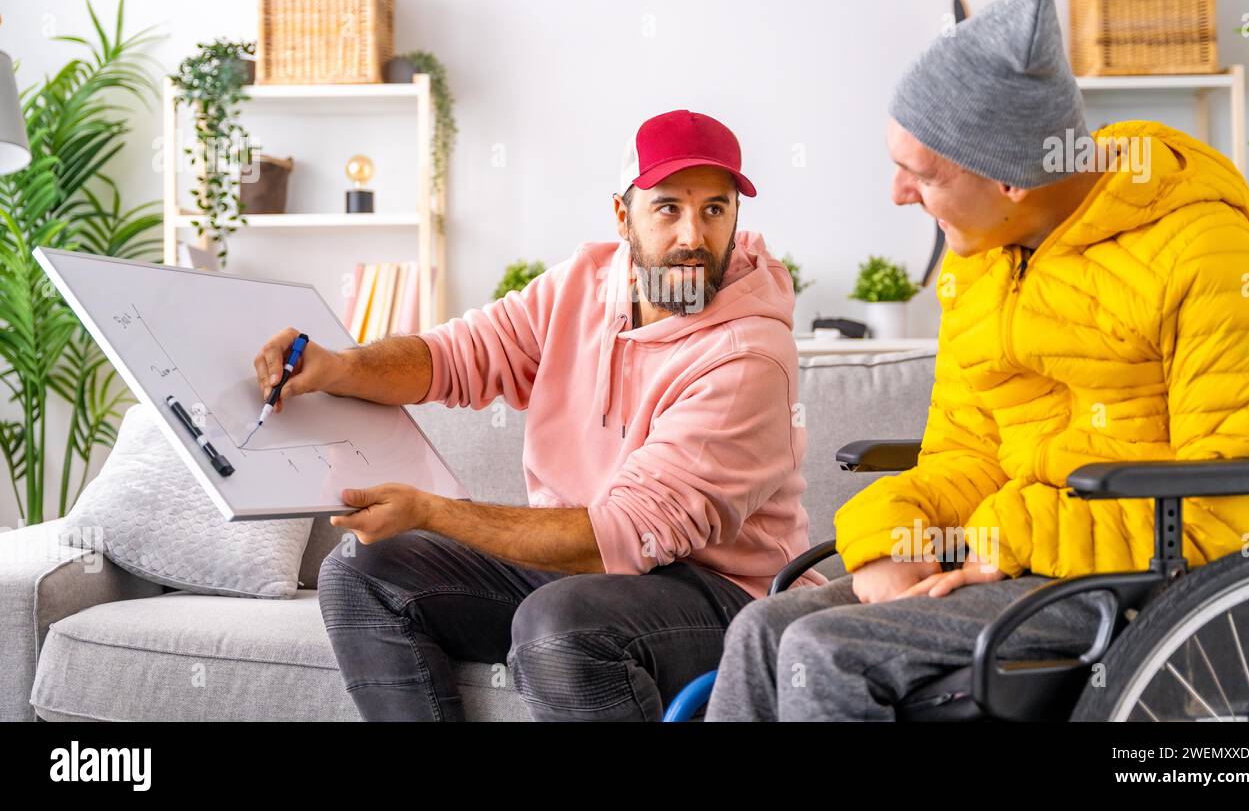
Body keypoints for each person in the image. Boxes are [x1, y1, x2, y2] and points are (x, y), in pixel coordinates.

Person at [706, 0, 1249, 721]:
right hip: (1010, 557)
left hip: (1139, 581)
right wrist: (897, 538)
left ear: (1012, 180)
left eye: (919, 172)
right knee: (762, 631)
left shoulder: (1209, 259)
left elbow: (1232, 520)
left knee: (826, 653)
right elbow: (968, 451)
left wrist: (1007, 537)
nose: (896, 193)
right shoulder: (981, 261)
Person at [253, 108, 826, 721]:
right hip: (589, 578)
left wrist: (434, 512)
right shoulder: (582, 285)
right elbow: (455, 356)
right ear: (622, 215)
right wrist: (340, 367)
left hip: (724, 598)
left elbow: (625, 536)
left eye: (715, 209)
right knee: (362, 573)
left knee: (560, 627)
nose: (693, 235)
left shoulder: (750, 356)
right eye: (668, 208)